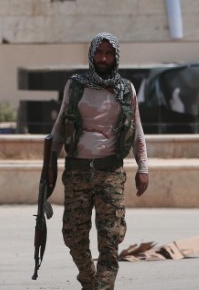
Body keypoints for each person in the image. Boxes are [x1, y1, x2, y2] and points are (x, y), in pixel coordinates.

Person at [48, 32, 149, 290]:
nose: (103, 58)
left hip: (110, 172)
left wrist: (143, 167)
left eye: (109, 53)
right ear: (91, 55)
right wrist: (50, 164)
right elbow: (59, 127)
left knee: (110, 238)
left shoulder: (126, 89)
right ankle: (89, 280)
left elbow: (137, 129)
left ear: (115, 56)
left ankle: (103, 286)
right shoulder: (75, 85)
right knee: (73, 236)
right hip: (77, 172)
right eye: (99, 53)